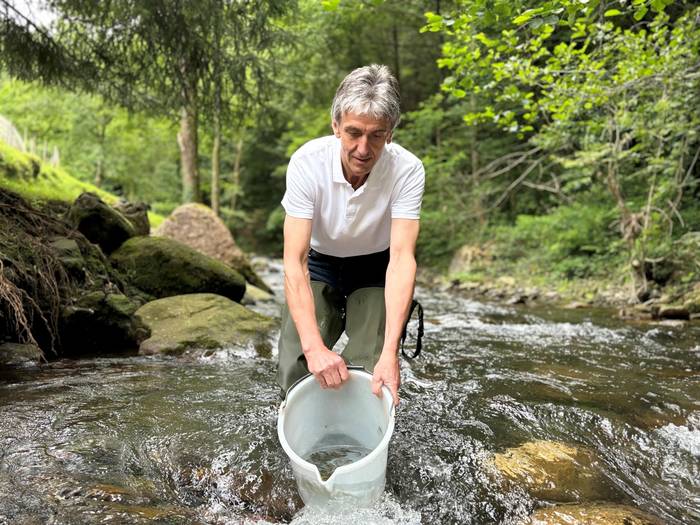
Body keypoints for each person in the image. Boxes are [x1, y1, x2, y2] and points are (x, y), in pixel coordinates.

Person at [277, 64, 425, 406]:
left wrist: (391, 353)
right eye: (354, 132)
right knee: (297, 364)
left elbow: (402, 259)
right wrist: (314, 349)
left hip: (376, 267)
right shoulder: (306, 163)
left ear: (390, 133)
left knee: (373, 373)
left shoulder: (407, 169)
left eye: (376, 135)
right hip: (318, 263)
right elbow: (293, 261)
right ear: (335, 127)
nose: (363, 148)